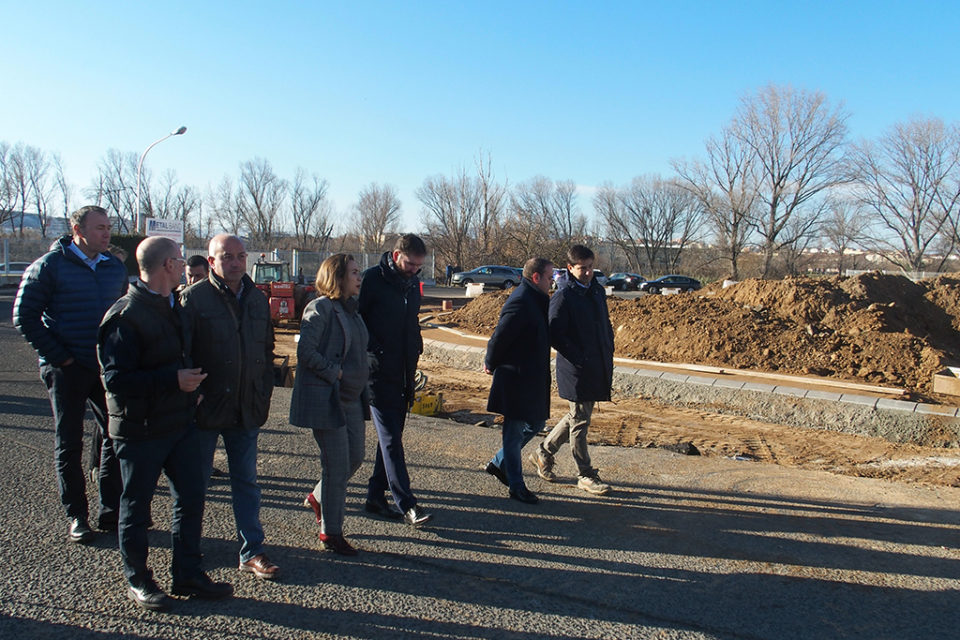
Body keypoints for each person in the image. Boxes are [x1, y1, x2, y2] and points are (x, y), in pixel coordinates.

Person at [99, 236, 232, 612]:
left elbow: (184, 354)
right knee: (137, 506)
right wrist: (173, 381)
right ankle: (138, 579)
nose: (184, 265)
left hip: (180, 421)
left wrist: (193, 393)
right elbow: (115, 379)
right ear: (168, 266)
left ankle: (187, 572)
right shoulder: (125, 316)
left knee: (191, 498)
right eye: (178, 258)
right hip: (139, 428)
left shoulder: (176, 307)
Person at [12, 205, 127, 543]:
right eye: (99, 228)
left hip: (104, 367)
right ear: (78, 230)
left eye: (108, 227)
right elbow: (25, 317)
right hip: (66, 369)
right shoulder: (49, 266)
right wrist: (60, 358)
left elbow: (121, 313)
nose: (106, 234)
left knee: (115, 435)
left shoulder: (113, 268)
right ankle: (77, 515)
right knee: (69, 441)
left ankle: (111, 512)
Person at [179, 234, 279, 580]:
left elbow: (266, 348)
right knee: (195, 484)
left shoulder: (255, 298)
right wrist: (193, 395)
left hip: (246, 407)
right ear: (211, 262)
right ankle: (189, 551)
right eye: (227, 257)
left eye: (240, 256)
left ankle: (252, 551)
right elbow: (181, 352)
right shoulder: (192, 300)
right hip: (205, 409)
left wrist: (263, 388)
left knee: (246, 482)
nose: (235, 263)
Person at [291, 254, 369, 556]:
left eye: (358, 272)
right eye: (353, 272)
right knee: (336, 466)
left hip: (351, 398)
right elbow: (305, 352)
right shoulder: (320, 307)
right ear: (337, 277)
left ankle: (317, 496)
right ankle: (331, 533)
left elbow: (356, 350)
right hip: (327, 399)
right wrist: (333, 372)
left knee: (355, 458)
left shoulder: (353, 311)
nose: (359, 277)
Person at [360, 234, 432, 526]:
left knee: (391, 439)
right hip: (377, 374)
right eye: (410, 263)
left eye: (419, 266)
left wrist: (416, 344)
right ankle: (407, 503)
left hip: (403, 371)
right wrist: (373, 350)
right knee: (390, 439)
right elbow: (358, 320)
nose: (414, 269)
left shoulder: (411, 284)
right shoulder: (371, 280)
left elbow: (411, 319)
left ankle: (375, 496)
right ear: (395, 254)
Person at [531, 245, 613, 495]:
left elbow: (604, 324)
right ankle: (585, 474)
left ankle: (543, 452)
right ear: (570, 268)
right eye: (582, 268)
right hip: (576, 370)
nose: (588, 272)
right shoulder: (564, 296)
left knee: (578, 416)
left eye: (590, 267)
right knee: (579, 421)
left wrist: (608, 346)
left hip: (596, 365)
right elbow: (554, 333)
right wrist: (579, 358)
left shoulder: (596, 291)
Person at [483, 257, 554, 504]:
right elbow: (500, 336)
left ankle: (499, 463)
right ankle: (516, 485)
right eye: (549, 277)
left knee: (536, 423)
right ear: (536, 278)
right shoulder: (521, 300)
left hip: (531, 378)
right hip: (515, 378)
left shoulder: (538, 300)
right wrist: (489, 362)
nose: (551, 282)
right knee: (513, 433)